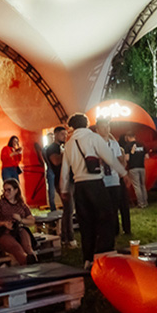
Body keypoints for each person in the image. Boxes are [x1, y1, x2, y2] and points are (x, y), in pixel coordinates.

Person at [61, 113, 127, 268]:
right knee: (107, 218)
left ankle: (88, 259)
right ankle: (104, 254)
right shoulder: (93, 138)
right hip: (95, 183)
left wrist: (64, 189)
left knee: (86, 224)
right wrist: (123, 174)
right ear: (86, 124)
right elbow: (110, 158)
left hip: (79, 187)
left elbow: (65, 171)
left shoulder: (69, 144)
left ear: (72, 127)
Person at [0, 179, 39, 265]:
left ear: (16, 190)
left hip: (19, 229)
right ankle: (28, 262)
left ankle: (33, 260)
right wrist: (4, 223)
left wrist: (21, 220)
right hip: (3, 231)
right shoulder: (0, 203)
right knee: (16, 248)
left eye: (9, 190)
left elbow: (31, 221)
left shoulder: (21, 205)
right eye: (4, 190)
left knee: (28, 246)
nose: (6, 193)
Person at [97, 120, 131, 236]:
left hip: (114, 178)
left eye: (107, 126)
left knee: (116, 205)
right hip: (102, 178)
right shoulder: (95, 143)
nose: (106, 129)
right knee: (107, 207)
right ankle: (112, 229)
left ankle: (117, 229)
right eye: (103, 127)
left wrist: (122, 169)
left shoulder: (114, 144)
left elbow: (119, 159)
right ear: (97, 129)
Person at [122, 131, 149, 208]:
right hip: (142, 167)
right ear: (134, 136)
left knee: (137, 186)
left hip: (133, 167)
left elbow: (127, 158)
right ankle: (145, 202)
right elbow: (147, 156)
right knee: (143, 185)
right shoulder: (141, 144)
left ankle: (141, 203)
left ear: (128, 137)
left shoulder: (127, 146)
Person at [43, 129, 64, 212]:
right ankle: (53, 208)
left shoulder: (59, 147)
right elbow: (53, 161)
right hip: (51, 170)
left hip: (56, 170)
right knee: (52, 190)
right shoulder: (47, 149)